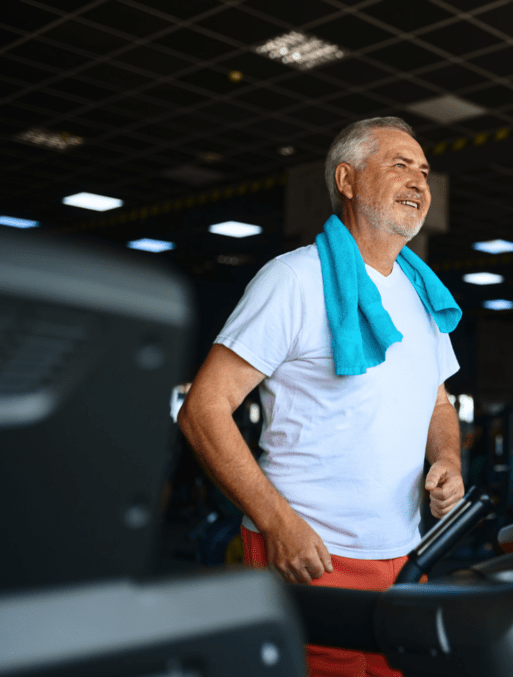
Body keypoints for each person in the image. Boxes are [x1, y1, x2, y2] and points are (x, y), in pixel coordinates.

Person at [177, 116, 464, 677]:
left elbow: (438, 405)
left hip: (403, 556)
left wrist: (448, 459)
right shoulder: (293, 280)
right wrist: (276, 521)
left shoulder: (423, 293)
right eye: (400, 165)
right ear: (348, 180)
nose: (420, 182)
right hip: (307, 555)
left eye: (425, 171)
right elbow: (203, 410)